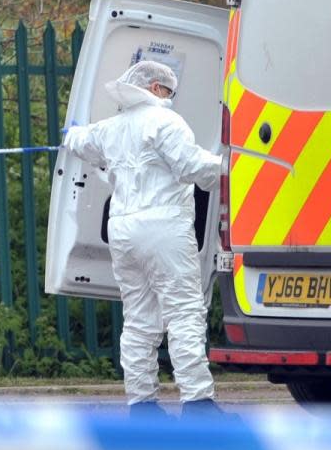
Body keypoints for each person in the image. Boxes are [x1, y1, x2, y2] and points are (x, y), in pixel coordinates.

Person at [62, 60, 224, 416]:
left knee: (138, 319)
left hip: (123, 231)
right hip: (163, 226)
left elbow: (80, 140)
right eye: (169, 90)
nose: (171, 97)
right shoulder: (166, 122)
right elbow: (192, 167)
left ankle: (141, 404)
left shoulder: (111, 127)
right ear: (154, 88)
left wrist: (71, 133)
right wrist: (232, 167)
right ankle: (197, 402)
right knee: (183, 312)